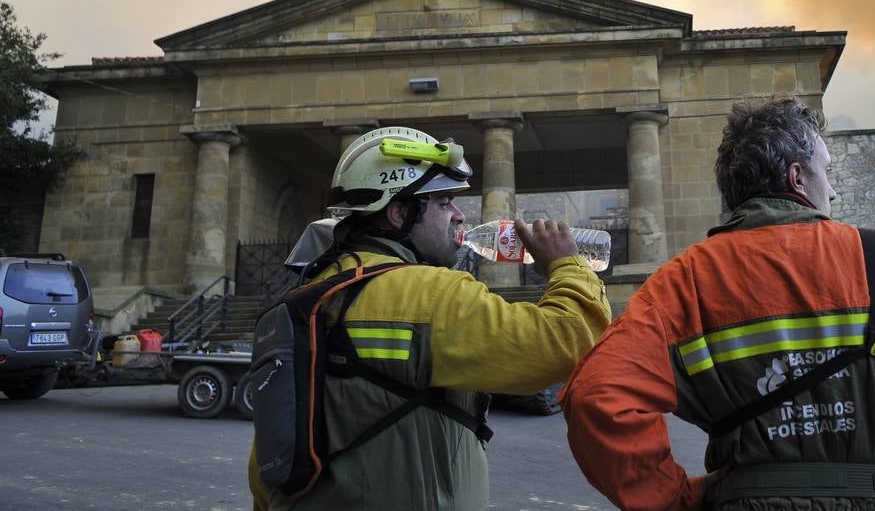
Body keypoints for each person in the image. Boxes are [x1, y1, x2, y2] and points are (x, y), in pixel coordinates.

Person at [562, 97, 875, 510]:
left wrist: (676, 498)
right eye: (827, 172)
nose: (833, 190)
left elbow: (597, 395)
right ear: (797, 178)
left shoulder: (684, 282)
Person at [247, 126, 612, 510]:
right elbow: (571, 341)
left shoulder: (299, 304)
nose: (459, 215)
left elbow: (268, 467)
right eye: (443, 203)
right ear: (399, 212)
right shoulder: (431, 295)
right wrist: (568, 265)